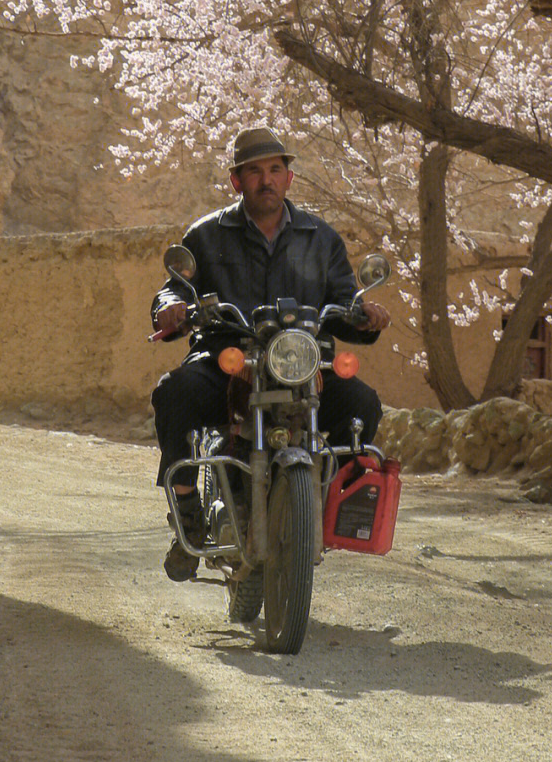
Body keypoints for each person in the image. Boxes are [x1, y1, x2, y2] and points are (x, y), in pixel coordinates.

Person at [151, 126, 391, 581]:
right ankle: (187, 508)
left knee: (362, 404)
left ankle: (317, 504)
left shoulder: (320, 239)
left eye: (275, 170)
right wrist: (171, 309)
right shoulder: (206, 234)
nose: (267, 180)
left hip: (304, 365)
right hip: (229, 360)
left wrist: (363, 314)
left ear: (289, 178)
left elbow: (344, 300)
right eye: (255, 171)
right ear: (236, 181)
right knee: (175, 392)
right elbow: (172, 291)